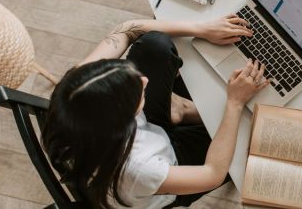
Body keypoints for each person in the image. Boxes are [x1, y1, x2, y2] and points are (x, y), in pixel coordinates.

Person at [42, 14, 270, 208]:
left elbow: (124, 31)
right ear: (123, 120)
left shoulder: (75, 89)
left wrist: (202, 29)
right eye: (137, 91)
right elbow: (212, 173)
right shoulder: (139, 169)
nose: (143, 80)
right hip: (172, 164)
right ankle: (183, 110)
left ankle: (179, 109)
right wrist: (235, 103)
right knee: (254, 141)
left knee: (154, 45)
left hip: (143, 136)